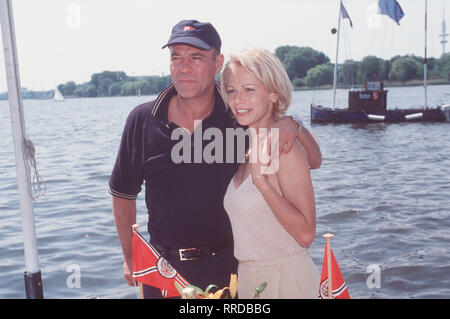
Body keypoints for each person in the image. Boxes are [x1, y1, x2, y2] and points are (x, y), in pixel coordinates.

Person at [109, 19, 322, 299]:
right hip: (162, 271)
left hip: (229, 269)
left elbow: (314, 160)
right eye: (176, 58)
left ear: (217, 62)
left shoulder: (238, 115)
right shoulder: (142, 120)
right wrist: (129, 257)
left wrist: (292, 124)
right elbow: (123, 193)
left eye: (196, 57)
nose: (184, 67)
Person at [221, 49, 320, 298]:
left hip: (286, 284)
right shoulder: (250, 146)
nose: (237, 100)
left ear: (274, 94)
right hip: (251, 283)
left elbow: (306, 234)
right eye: (231, 90)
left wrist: (261, 184)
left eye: (249, 90)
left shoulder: (283, 149)